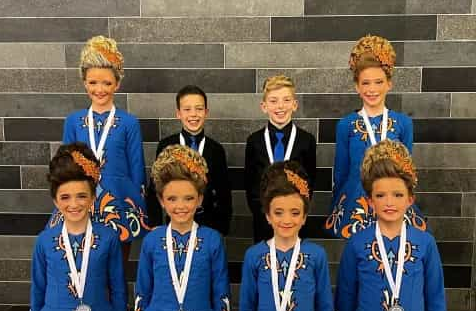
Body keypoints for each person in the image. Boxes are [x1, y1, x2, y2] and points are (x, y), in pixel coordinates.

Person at [116, 145, 245, 311]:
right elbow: (142, 292)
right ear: (161, 200)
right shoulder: (152, 241)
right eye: (172, 199)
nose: (181, 206)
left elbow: (221, 293)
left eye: (189, 198)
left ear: (200, 199)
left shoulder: (212, 239)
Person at [6, 143, 129, 311]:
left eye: (81, 196)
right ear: (55, 200)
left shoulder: (108, 237)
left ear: (93, 197)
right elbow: (38, 289)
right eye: (65, 197)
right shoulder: (45, 241)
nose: (74, 204)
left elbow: (118, 289)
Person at [335, 139, 450, 311]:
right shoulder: (356, 243)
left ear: (410, 199)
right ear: (369, 201)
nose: (389, 202)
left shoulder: (425, 243)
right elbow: (344, 300)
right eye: (380, 195)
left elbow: (435, 303)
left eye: (397, 195)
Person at [49, 35, 149, 261]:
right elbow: (64, 168)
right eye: (93, 82)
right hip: (82, 201)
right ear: (84, 82)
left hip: (120, 203)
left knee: (118, 270)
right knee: (83, 267)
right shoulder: (74, 121)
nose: (100, 89)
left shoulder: (129, 122)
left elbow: (137, 170)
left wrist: (135, 207)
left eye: (107, 83)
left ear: (117, 83)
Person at [238, 161, 348, 311]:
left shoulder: (316, 255)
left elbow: (325, 308)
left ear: (305, 216)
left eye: (295, 213)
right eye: (278, 213)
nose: (287, 220)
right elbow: (246, 310)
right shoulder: (254, 255)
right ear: (267, 216)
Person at [324, 35, 426, 239]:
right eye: (366, 83)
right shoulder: (346, 125)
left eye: (379, 82)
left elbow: (407, 172)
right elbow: (341, 172)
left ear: (389, 84)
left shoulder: (403, 123)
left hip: (392, 202)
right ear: (357, 87)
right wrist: (338, 204)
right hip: (356, 205)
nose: (372, 89)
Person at [146, 85, 232, 236]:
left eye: (199, 109)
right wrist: (155, 225)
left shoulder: (216, 149)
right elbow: (154, 188)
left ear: (206, 112)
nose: (193, 114)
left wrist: (221, 230)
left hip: (208, 224)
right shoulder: (166, 145)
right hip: (174, 220)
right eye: (187, 109)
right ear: (178, 113)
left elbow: (224, 194)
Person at [245, 75, 316, 243]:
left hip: (295, 220)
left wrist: (297, 214)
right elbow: (250, 185)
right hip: (264, 221)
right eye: (273, 101)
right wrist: (266, 215)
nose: (280, 106)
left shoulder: (306, 140)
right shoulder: (254, 141)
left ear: (294, 104)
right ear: (264, 106)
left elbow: (310, 183)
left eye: (286, 100)